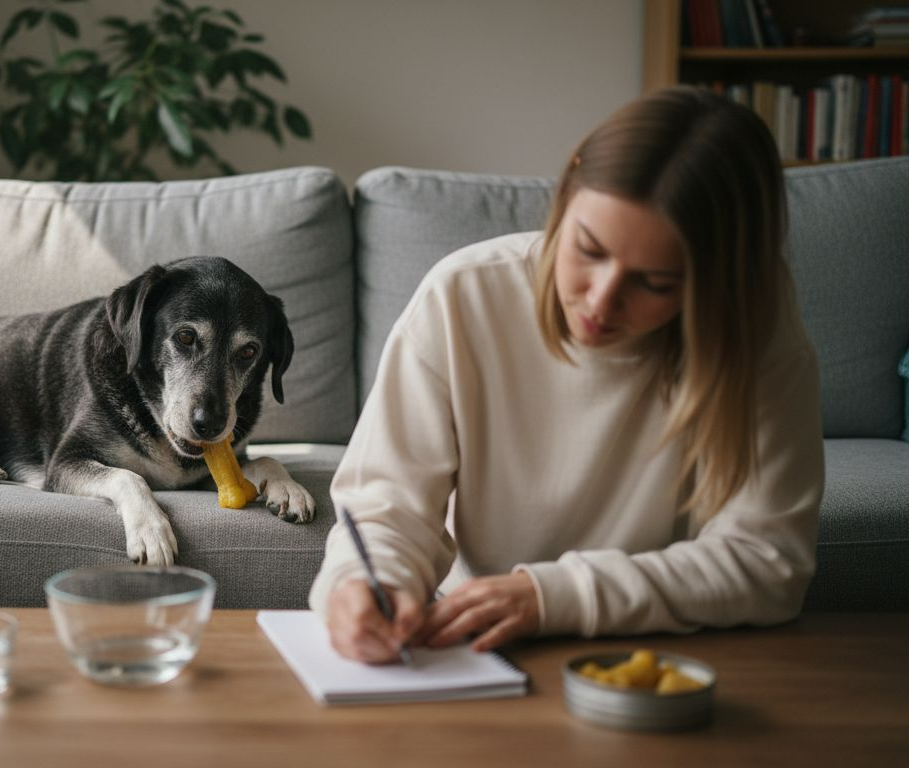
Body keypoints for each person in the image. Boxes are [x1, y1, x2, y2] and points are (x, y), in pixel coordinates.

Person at [310, 86, 824, 664]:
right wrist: (364, 581)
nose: (601, 301)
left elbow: (767, 561)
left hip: (651, 651)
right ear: (565, 194)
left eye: (655, 283)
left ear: (718, 286)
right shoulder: (464, 295)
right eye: (588, 248)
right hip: (474, 646)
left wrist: (552, 596)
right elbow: (386, 507)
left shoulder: (755, 330)